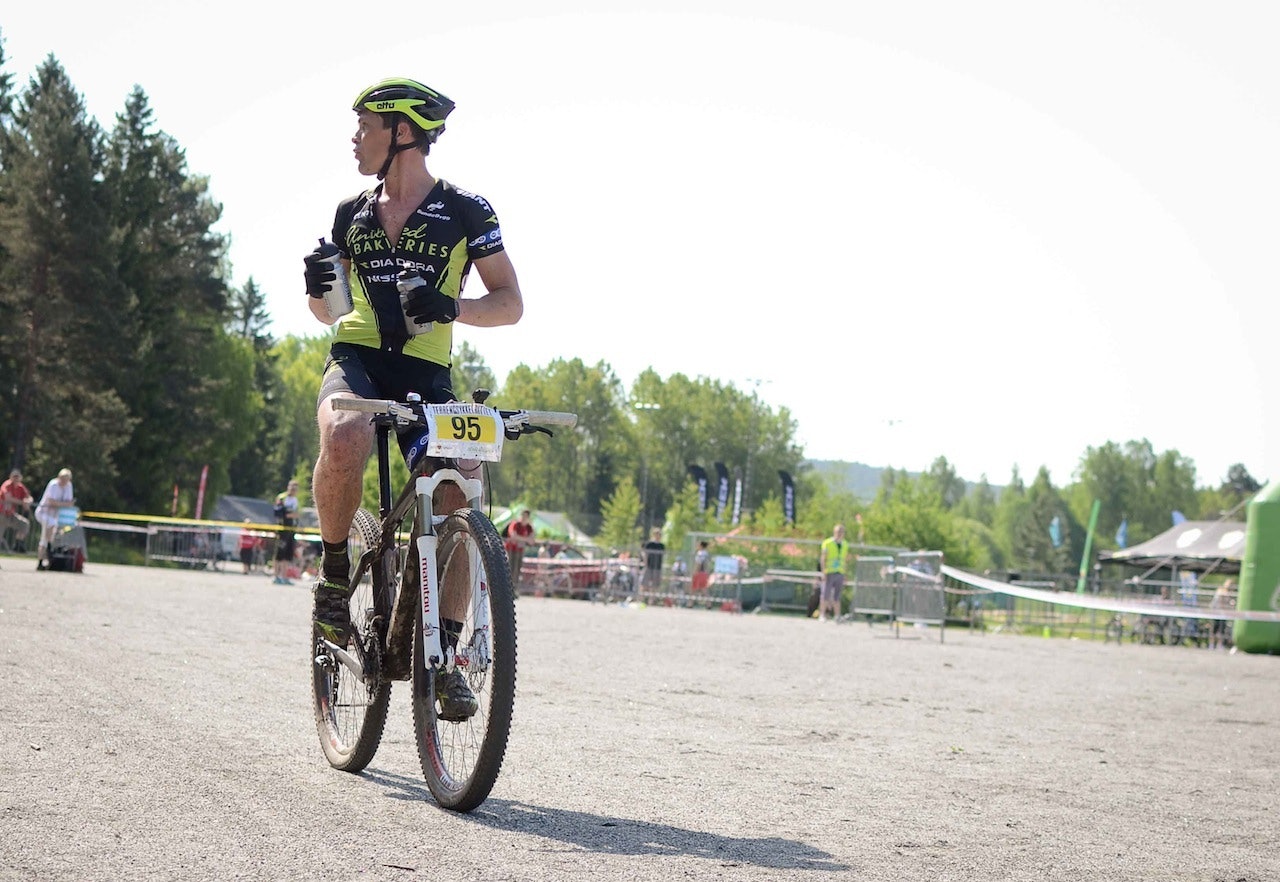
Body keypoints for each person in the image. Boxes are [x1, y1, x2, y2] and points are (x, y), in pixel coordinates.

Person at [303, 77, 522, 721]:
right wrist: (317, 290)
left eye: (364, 127)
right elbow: (325, 311)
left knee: (459, 484)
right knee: (342, 435)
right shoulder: (351, 212)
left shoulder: (466, 211)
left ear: (402, 133)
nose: (354, 139)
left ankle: (449, 654)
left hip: (426, 374)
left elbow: (510, 304)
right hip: (358, 364)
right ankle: (336, 574)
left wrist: (452, 306)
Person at [35, 468, 75, 571]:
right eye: (62, 479)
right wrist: (63, 504)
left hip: (55, 516)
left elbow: (69, 503)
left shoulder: (69, 486)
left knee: (54, 536)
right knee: (46, 535)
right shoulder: (53, 484)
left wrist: (61, 504)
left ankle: (48, 558)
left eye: (66, 480)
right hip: (44, 513)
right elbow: (51, 502)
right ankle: (44, 556)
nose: (63, 482)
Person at [818, 523, 850, 621]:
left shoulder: (845, 544)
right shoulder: (827, 543)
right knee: (825, 594)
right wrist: (823, 571)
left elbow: (844, 559)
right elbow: (823, 558)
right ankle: (822, 614)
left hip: (839, 571)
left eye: (841, 532)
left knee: (837, 595)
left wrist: (845, 573)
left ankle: (837, 615)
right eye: (838, 532)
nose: (839, 534)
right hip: (829, 571)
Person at [1, 469, 35, 553]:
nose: (16, 479)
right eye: (14, 477)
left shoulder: (20, 487)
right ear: (10, 477)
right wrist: (22, 502)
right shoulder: (7, 485)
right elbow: (7, 498)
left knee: (24, 524)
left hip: (10, 514)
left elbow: (29, 497)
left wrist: (28, 502)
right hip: (1, 513)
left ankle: (17, 544)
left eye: (17, 477)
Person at [272, 480, 300, 585]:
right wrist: (289, 514)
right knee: (279, 553)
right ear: (288, 487)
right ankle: (275, 576)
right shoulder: (282, 497)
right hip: (282, 529)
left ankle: (284, 576)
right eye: (292, 487)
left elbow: (297, 514)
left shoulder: (296, 500)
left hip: (292, 529)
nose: (293, 490)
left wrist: (292, 515)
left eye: (295, 488)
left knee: (288, 554)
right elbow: (278, 512)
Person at [504, 509, 534, 590]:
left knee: (517, 570)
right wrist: (526, 539)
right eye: (523, 516)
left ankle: (514, 588)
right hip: (511, 549)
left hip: (520, 550)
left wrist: (520, 539)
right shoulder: (515, 524)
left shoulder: (529, 527)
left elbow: (532, 540)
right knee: (510, 568)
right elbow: (513, 536)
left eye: (526, 516)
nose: (524, 518)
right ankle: (507, 587)